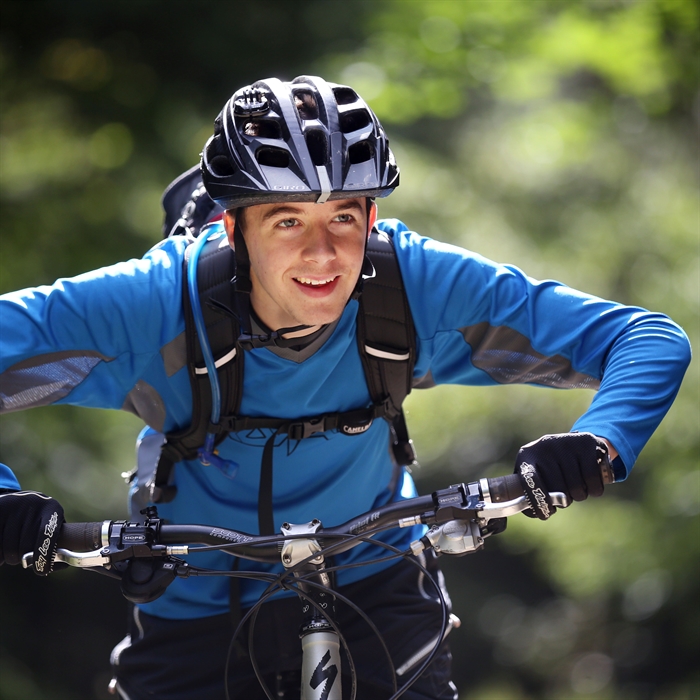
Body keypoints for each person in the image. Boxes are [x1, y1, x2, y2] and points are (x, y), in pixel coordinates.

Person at [0, 75, 691, 699]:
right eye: (287, 220)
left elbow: (646, 337)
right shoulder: (151, 305)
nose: (323, 253)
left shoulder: (412, 285)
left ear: (371, 218)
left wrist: (597, 442)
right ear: (232, 228)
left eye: (343, 218)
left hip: (375, 584)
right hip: (197, 600)